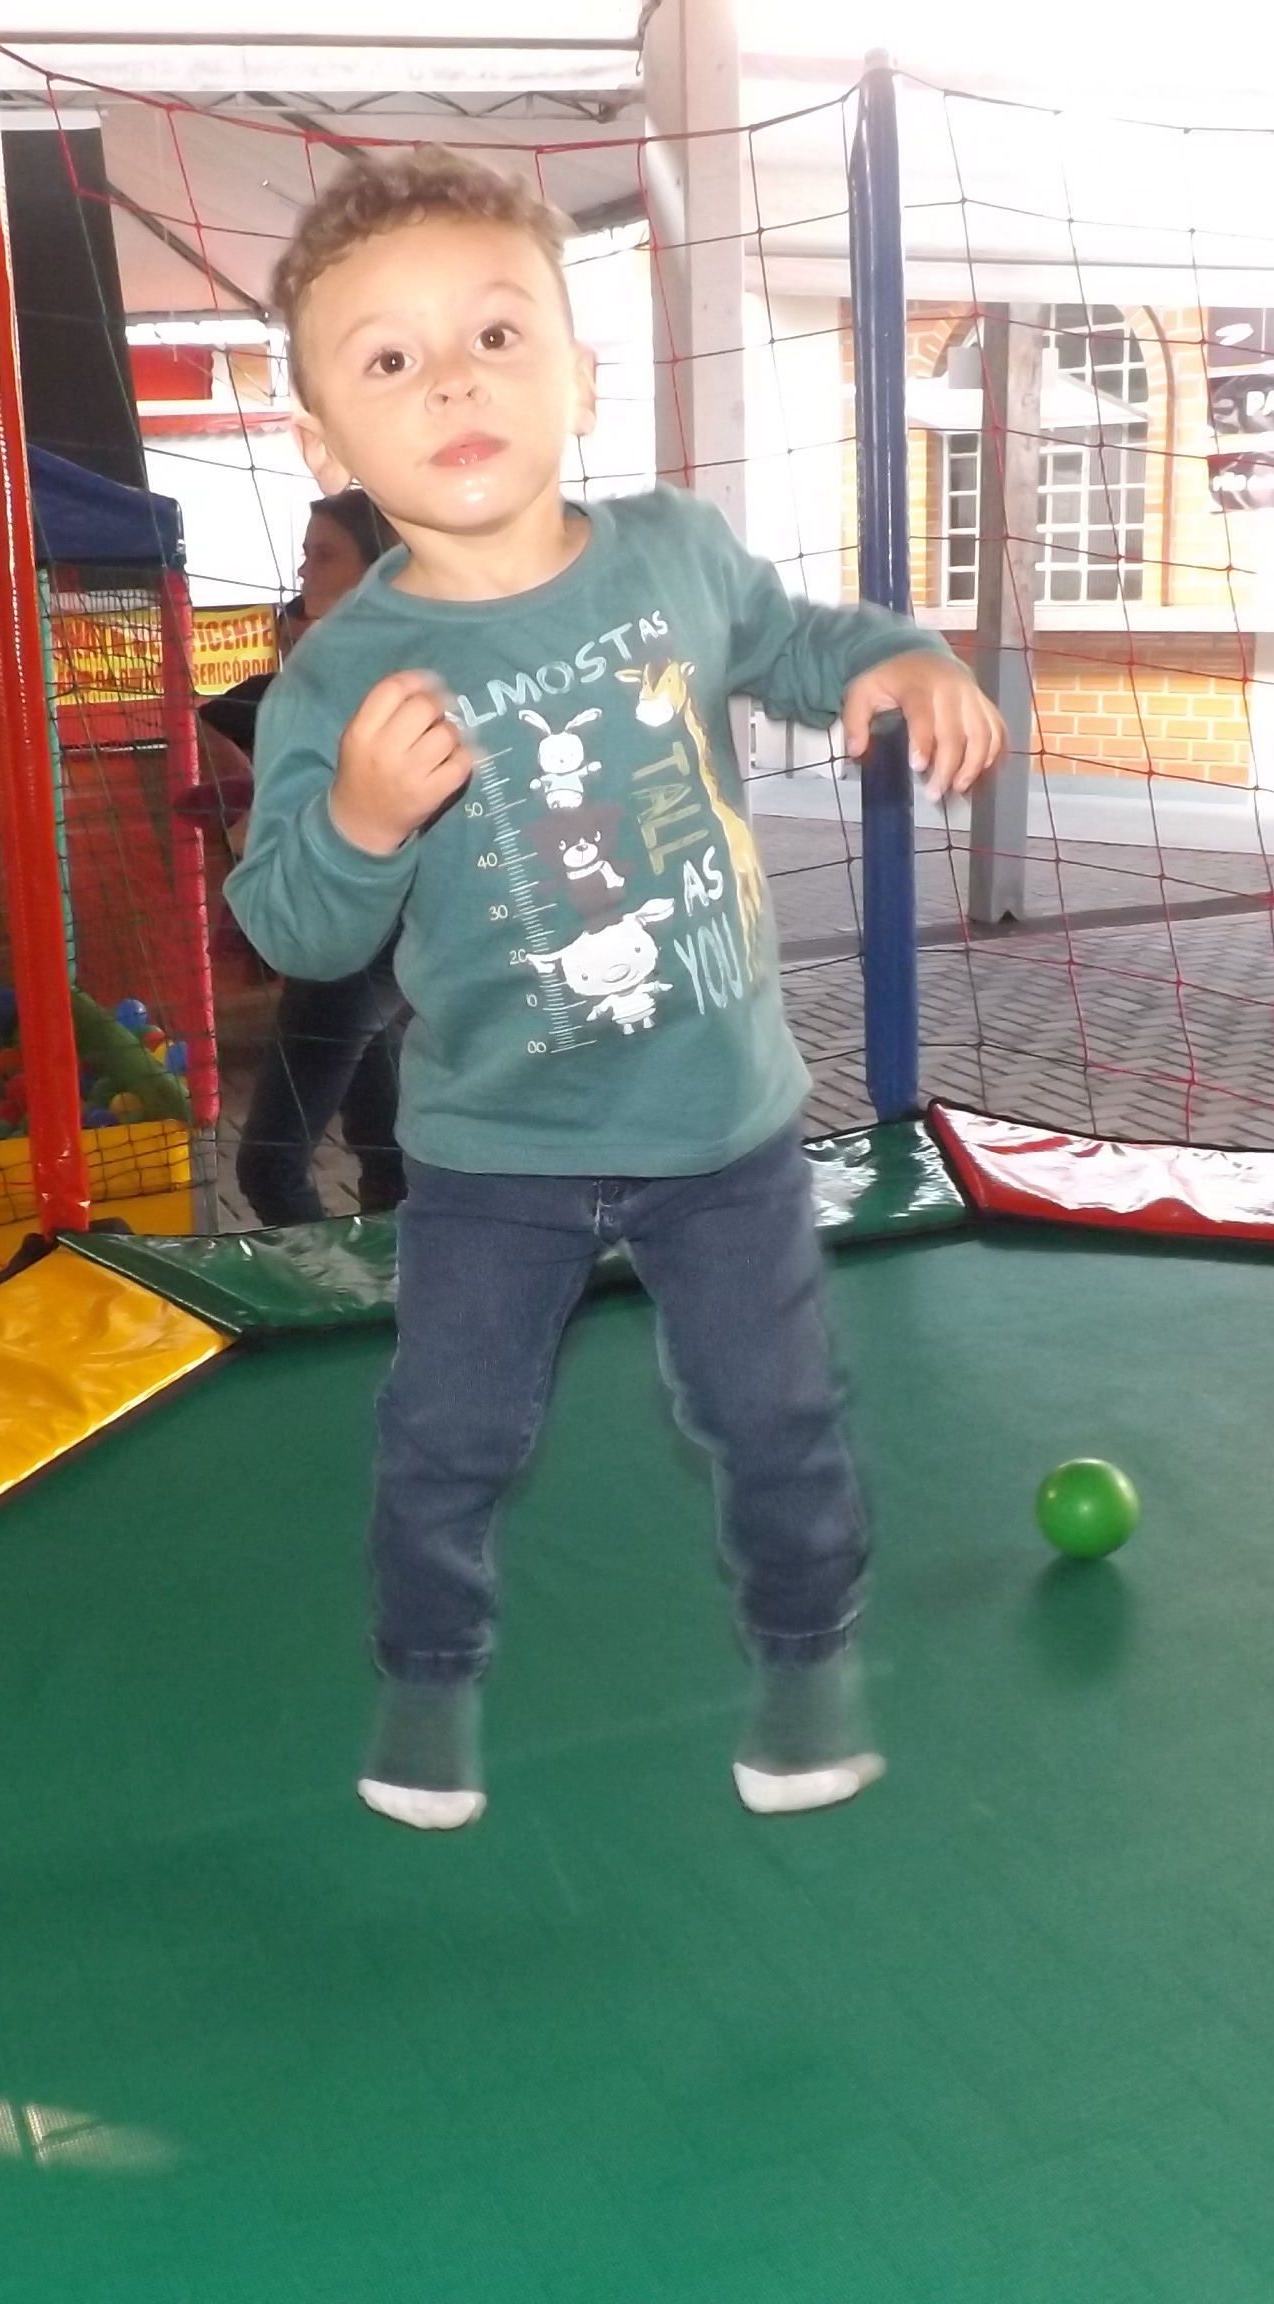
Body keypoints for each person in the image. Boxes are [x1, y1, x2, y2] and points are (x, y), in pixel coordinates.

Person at [225, 148, 1003, 1831]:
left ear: (579, 377)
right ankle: (429, 1680)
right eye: (389, 359)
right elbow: (293, 926)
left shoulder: (672, 554)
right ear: (322, 443)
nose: (453, 379)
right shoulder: (340, 677)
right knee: (447, 1435)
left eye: (496, 334)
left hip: (721, 1128)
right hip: (494, 1153)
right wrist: (360, 819)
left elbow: (794, 641)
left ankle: (808, 1662)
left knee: (775, 1413)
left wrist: (898, 658)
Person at [200, 493, 412, 1227]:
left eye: (324, 555)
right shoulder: (332, 674)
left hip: (358, 932)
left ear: (377, 567)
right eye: (305, 553)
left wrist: (266, 827)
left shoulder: (382, 677)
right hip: (348, 925)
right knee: (385, 1143)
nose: (304, 569)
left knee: (268, 1166)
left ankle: (330, 1282)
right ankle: (399, 1272)